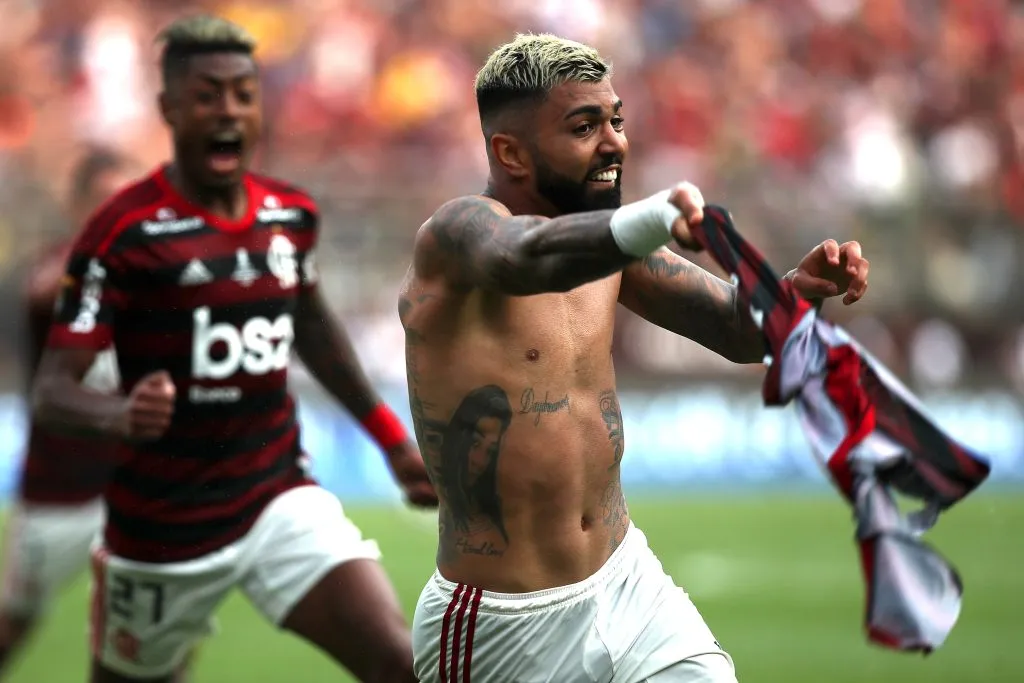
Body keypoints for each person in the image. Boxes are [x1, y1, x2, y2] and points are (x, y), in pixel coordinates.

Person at [400, 33, 870, 683]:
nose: (614, 142)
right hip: (500, 625)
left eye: (615, 121)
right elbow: (522, 256)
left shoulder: (613, 243)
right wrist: (645, 221)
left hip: (628, 586)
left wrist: (798, 290)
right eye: (583, 127)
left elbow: (739, 330)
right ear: (510, 152)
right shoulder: (456, 234)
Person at [31, 15, 436, 683]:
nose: (228, 110)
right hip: (162, 531)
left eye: (243, 94)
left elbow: (314, 330)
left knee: (400, 663)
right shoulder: (120, 232)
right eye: (207, 95)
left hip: (276, 496)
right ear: (168, 108)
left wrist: (391, 441)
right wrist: (120, 414)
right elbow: (53, 391)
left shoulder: (289, 214)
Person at [0, 148, 132, 678]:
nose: (114, 215)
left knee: (157, 633)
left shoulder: (148, 273)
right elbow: (43, 292)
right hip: (58, 493)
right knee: (13, 621)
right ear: (75, 205)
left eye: (124, 202)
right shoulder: (54, 271)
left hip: (131, 492)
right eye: (102, 202)